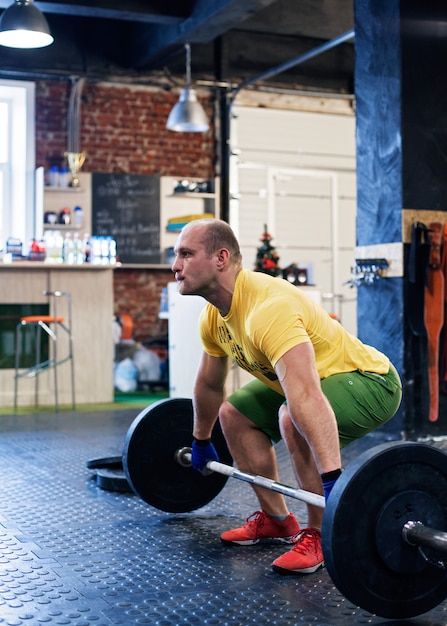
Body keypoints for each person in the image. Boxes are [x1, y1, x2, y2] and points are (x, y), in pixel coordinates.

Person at [171, 218, 402, 575]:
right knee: (235, 415)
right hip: (314, 385)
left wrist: (332, 480)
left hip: (371, 381)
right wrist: (201, 440)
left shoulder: (268, 309)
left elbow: (307, 397)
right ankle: (278, 519)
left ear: (220, 258)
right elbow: (209, 385)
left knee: (292, 416)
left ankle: (322, 533)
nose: (176, 266)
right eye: (177, 255)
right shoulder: (214, 317)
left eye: (186, 254)